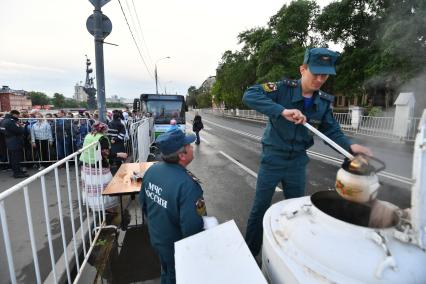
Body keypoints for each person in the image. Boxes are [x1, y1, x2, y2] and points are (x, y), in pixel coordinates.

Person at [242, 47, 372, 257]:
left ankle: (291, 254)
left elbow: (330, 130)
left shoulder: (323, 101)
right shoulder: (282, 89)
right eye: (316, 73)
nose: (320, 79)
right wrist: (282, 111)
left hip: (297, 163)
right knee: (260, 209)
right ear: (303, 69)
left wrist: (350, 147)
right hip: (273, 158)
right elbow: (250, 94)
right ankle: (249, 253)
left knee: (297, 211)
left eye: (325, 75)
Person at [140, 128, 206, 284]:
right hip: (176, 249)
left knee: (166, 270)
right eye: (188, 145)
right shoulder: (188, 186)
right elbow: (192, 227)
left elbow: (143, 204)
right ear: (182, 155)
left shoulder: (152, 170)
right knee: (174, 276)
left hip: (157, 239)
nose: (192, 147)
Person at [80, 121, 128, 212]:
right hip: (99, 166)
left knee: (92, 189)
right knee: (105, 187)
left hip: (86, 166)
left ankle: (94, 206)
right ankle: (108, 208)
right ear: (102, 130)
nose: (107, 131)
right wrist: (120, 154)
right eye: (105, 130)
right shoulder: (102, 138)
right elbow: (106, 154)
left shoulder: (88, 135)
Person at [2, 110, 28, 178]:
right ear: (14, 114)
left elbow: (3, 131)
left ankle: (17, 170)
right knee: (15, 158)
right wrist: (21, 126)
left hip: (9, 141)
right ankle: (17, 173)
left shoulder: (4, 120)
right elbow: (19, 131)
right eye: (18, 115)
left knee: (13, 158)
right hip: (14, 141)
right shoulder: (11, 121)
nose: (19, 116)